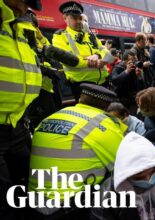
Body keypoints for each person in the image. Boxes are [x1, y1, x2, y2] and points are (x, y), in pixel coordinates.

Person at [28, 84, 127, 219]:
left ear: (80, 100)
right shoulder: (105, 125)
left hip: (34, 203)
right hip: (69, 208)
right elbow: (125, 164)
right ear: (107, 107)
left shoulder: (52, 117)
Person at [0, 0, 42, 219]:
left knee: (27, 182)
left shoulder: (23, 27)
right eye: (23, 2)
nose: (25, 8)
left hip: (17, 122)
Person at [52, 1, 113, 100]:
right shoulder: (60, 37)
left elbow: (109, 56)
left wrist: (97, 56)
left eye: (80, 18)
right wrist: (94, 62)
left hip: (104, 83)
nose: (79, 21)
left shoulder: (91, 36)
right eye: (74, 18)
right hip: (83, 87)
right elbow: (70, 60)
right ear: (65, 18)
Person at [26, 9, 59, 130]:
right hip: (32, 85)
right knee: (36, 118)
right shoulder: (22, 36)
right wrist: (44, 69)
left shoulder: (41, 38)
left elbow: (49, 54)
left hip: (46, 86)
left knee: (50, 116)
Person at [111, 50, 148, 115]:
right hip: (119, 100)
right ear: (125, 61)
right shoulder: (117, 68)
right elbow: (115, 81)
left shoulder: (134, 69)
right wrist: (126, 71)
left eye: (135, 60)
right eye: (132, 60)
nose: (134, 62)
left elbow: (140, 88)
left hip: (131, 100)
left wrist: (139, 77)